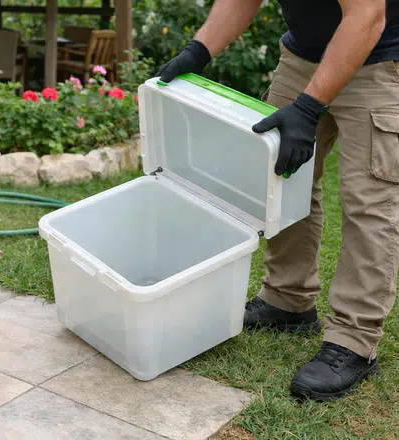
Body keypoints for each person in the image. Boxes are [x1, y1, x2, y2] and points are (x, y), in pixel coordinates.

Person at [157, 0, 398, 401]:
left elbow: (367, 15)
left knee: (369, 203)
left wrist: (307, 107)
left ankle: (354, 339)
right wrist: (197, 51)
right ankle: (288, 300)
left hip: (379, 59)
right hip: (302, 57)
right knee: (280, 177)